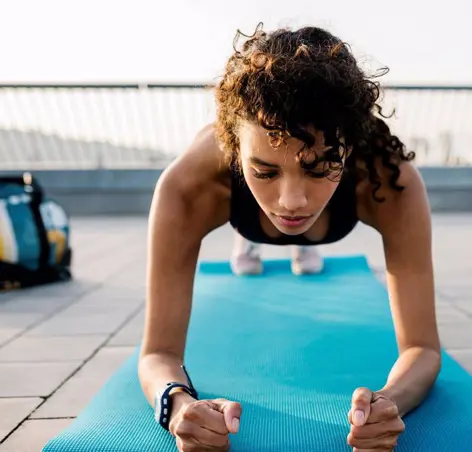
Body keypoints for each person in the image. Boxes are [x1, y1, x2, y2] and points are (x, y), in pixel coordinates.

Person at [138, 23, 441, 452]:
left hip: (332, 202)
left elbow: (423, 348)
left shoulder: (390, 182)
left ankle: (288, 222)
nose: (292, 199)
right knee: (275, 218)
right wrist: (179, 404)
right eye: (265, 171)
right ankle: (251, 235)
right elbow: (157, 354)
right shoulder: (188, 188)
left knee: (295, 219)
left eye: (319, 168)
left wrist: (388, 403)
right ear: (236, 153)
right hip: (235, 202)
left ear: (349, 148)